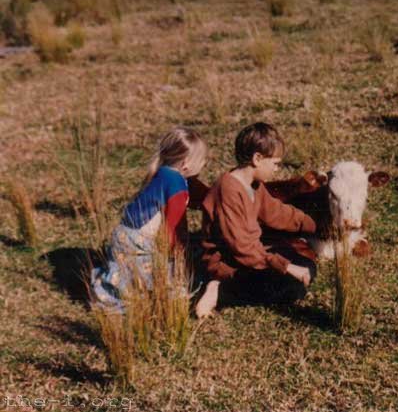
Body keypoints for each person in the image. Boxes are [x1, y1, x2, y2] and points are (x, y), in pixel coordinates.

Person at [195, 122, 317, 318]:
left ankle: (235, 286)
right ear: (257, 158)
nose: (277, 169)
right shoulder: (228, 189)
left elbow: (277, 212)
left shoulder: (254, 185)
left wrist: (313, 225)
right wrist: (286, 266)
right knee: (293, 288)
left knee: (308, 265)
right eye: (276, 163)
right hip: (228, 263)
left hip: (250, 255)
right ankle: (219, 289)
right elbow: (240, 245)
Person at [91, 127, 208, 314]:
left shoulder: (163, 172)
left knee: (127, 271)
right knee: (156, 269)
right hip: (138, 241)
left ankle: (114, 289)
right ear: (186, 164)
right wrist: (178, 254)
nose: (204, 163)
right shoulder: (177, 185)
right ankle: (132, 299)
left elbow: (196, 193)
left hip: (124, 233)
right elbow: (173, 227)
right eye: (203, 160)